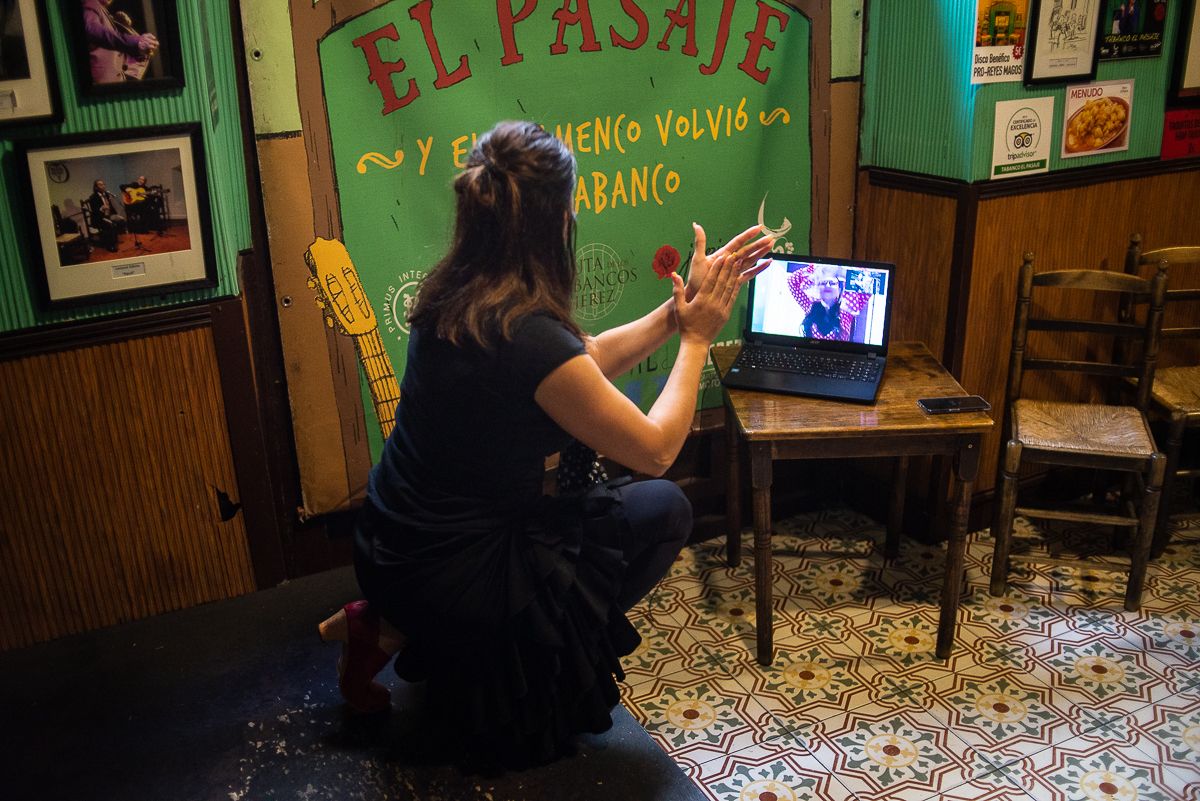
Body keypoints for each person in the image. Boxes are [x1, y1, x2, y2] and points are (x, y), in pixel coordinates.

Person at [316, 120, 773, 767]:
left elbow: (578, 362)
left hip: (391, 546)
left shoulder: (454, 294)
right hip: (452, 572)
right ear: (556, 221)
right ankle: (482, 653)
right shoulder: (526, 336)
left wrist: (676, 315)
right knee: (664, 506)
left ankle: (391, 624)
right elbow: (655, 449)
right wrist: (698, 340)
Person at [81, 0, 157, 84]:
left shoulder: (103, 11)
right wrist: (135, 42)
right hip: (103, 86)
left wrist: (123, 27)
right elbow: (92, 30)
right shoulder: (90, 3)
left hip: (115, 83)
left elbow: (116, 46)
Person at [87, 179, 125, 252]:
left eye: (104, 184)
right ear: (96, 187)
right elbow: (94, 212)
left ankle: (114, 239)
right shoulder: (93, 197)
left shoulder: (106, 194)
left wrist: (115, 214)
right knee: (110, 224)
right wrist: (101, 208)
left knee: (121, 220)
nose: (103, 186)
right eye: (100, 184)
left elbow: (111, 206)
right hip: (99, 218)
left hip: (108, 215)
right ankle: (110, 245)